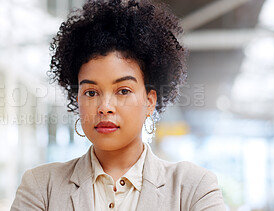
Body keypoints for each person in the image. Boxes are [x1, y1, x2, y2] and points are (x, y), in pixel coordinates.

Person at [11, 0, 226, 210]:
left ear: (150, 101)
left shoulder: (193, 188)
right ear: (78, 100)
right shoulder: (41, 187)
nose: (105, 107)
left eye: (123, 91)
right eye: (91, 92)